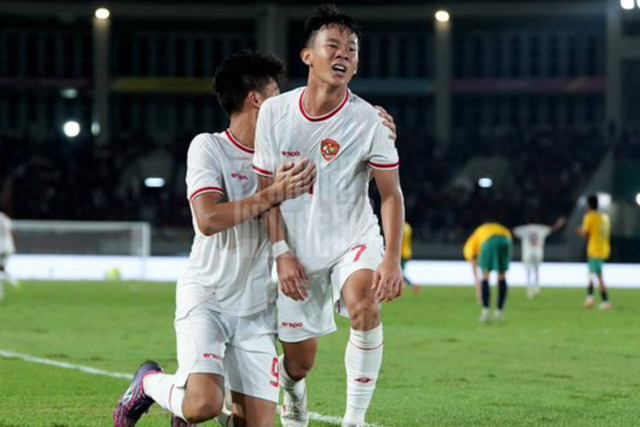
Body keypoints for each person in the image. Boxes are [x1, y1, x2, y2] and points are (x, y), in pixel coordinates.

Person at [113, 51, 317, 427]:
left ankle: (183, 402)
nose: (285, 101)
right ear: (256, 98)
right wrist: (272, 195)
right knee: (203, 406)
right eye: (277, 91)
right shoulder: (209, 147)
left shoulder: (284, 156)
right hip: (208, 296)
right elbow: (207, 219)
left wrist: (377, 131)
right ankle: (148, 383)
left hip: (257, 309)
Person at [252, 5, 405, 427]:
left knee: (364, 307)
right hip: (296, 252)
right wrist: (281, 251)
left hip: (352, 240)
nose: (344, 55)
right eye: (333, 46)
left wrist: (391, 257)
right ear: (308, 56)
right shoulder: (275, 113)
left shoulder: (369, 121)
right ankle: (292, 390)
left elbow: (390, 193)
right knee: (299, 363)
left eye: (352, 50)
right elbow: (266, 192)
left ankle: (352, 421)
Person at [463, 222, 513, 323]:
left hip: (489, 241)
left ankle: (485, 312)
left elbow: (475, 270)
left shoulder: (469, 248)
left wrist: (478, 291)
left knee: (485, 275)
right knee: (502, 275)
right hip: (506, 240)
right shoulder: (482, 231)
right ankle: (499, 312)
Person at [513, 216, 565, 299]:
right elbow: (552, 229)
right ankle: (537, 289)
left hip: (528, 252)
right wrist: (559, 224)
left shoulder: (524, 229)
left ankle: (529, 291)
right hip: (538, 252)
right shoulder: (542, 228)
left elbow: (514, 231)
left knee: (528, 272)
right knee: (537, 271)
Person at [578, 194, 611, 310]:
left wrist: (580, 230)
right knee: (598, 275)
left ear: (588, 205)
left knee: (592, 274)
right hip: (604, 248)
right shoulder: (604, 217)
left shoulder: (589, 217)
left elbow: (585, 233)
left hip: (594, 249)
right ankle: (605, 301)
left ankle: (590, 299)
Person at [0, 210, 18, 299]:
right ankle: (12, 280)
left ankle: (0, 292)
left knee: (1, 268)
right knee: (1, 267)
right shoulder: (6, 219)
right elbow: (12, 231)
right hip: (9, 246)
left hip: (0, 246)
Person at [401, 221, 418, 297]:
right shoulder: (408, 227)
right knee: (401, 272)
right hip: (407, 252)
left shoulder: (400, 227)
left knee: (400, 273)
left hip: (400, 253)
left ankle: (412, 285)